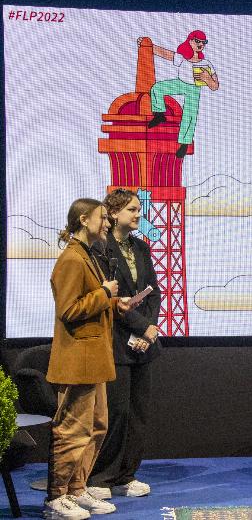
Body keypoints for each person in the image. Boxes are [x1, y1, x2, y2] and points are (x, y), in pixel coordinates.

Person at [45, 198, 132, 519]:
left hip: (94, 359)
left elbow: (89, 301)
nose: (107, 223)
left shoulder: (86, 255)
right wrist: (104, 294)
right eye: (102, 218)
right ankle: (56, 498)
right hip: (77, 360)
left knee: (96, 428)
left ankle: (76, 490)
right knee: (73, 430)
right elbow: (68, 310)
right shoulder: (71, 258)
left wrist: (114, 301)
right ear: (84, 219)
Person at [87, 189, 162, 500]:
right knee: (116, 413)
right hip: (116, 342)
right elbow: (113, 302)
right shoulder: (101, 251)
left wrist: (149, 329)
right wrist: (142, 327)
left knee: (137, 414)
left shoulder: (142, 248)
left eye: (138, 209)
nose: (138, 214)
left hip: (142, 344)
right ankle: (101, 477)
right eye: (132, 209)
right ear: (113, 213)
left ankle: (126, 476)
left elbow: (153, 291)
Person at [144, 30, 220, 158]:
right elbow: (165, 54)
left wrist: (207, 79)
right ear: (190, 41)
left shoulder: (206, 63)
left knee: (190, 115)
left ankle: (184, 144)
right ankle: (159, 114)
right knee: (157, 88)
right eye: (197, 41)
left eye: (203, 42)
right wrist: (147, 45)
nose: (200, 44)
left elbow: (215, 86)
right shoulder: (183, 58)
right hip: (180, 83)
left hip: (194, 89)